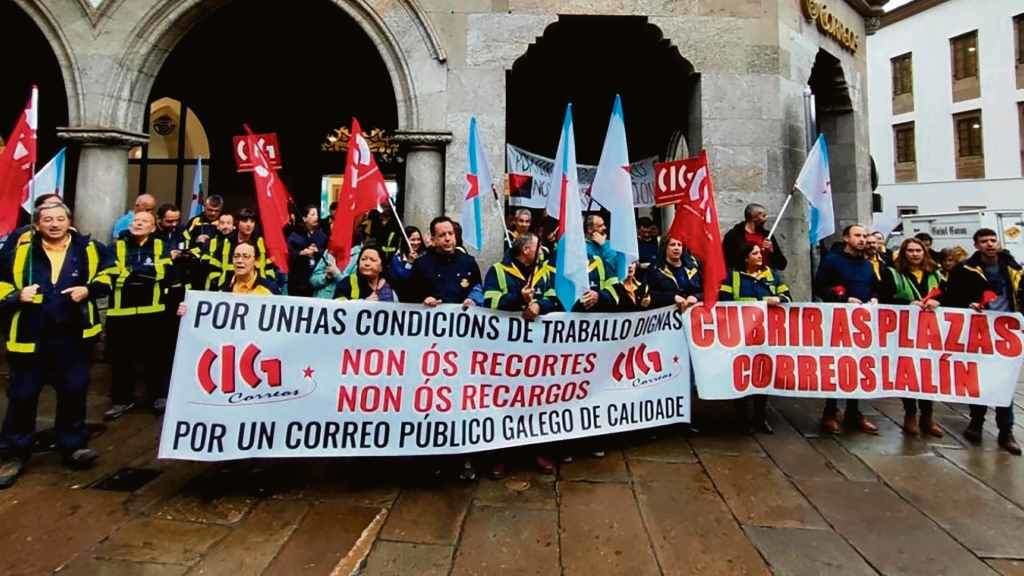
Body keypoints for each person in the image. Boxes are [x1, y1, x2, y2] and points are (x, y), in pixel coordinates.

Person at [0, 203, 115, 488]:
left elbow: (111, 273)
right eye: (47, 219)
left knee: (74, 392)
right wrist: (16, 295)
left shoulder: (88, 249)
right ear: (37, 225)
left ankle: (72, 445)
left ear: (69, 222)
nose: (54, 224)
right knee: (22, 396)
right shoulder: (19, 252)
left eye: (60, 218)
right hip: (30, 338)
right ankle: (13, 453)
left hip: (73, 338)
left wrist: (88, 289)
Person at [923, 228, 1021, 455]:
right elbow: (952, 295)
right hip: (977, 330)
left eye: (992, 239)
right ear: (976, 245)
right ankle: (976, 423)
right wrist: (964, 304)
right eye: (984, 241)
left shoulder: (1013, 267)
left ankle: (1006, 431)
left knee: (1004, 382)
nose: (989, 244)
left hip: (1007, 332)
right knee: (978, 379)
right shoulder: (964, 269)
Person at [481, 232, 560, 477]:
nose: (542, 249)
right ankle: (501, 456)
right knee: (504, 401)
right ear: (525, 250)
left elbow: (557, 297)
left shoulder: (545, 271)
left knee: (536, 399)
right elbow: (489, 300)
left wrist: (539, 305)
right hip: (507, 352)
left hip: (537, 351)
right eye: (538, 246)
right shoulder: (498, 270)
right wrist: (518, 299)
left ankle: (537, 450)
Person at [103, 211, 173, 420]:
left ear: (153, 227)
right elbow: (111, 272)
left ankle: (157, 397)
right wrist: (147, 272)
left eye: (144, 221)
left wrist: (133, 272)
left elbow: (166, 272)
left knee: (156, 358)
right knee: (121, 359)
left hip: (152, 312)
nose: (138, 224)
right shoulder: (117, 246)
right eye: (136, 220)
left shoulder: (161, 246)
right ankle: (121, 400)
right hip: (120, 313)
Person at [814, 224, 879, 435]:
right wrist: (842, 298)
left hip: (861, 324)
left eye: (864, 236)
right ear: (846, 238)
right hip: (837, 322)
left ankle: (853, 412)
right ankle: (830, 412)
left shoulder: (868, 265)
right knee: (836, 365)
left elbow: (872, 287)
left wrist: (874, 299)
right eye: (857, 235)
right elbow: (819, 287)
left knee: (858, 366)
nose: (862, 239)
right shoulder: (832, 261)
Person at [719, 243, 790, 434]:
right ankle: (742, 419)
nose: (760, 256)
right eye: (755, 253)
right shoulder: (732, 276)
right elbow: (724, 301)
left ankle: (760, 418)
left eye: (760, 253)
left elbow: (787, 297)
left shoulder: (772, 275)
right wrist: (759, 303)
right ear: (745, 257)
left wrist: (779, 300)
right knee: (741, 374)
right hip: (740, 335)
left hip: (766, 334)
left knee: (762, 374)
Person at [877, 237, 944, 438]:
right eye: (910, 250)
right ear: (904, 253)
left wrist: (938, 303)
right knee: (908, 372)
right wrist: (906, 306)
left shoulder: (936, 274)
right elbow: (884, 299)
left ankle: (928, 416)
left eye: (918, 250)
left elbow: (949, 297)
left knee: (928, 373)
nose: (915, 254)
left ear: (925, 253)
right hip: (904, 330)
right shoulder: (892, 273)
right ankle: (910, 414)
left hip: (931, 332)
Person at [408, 216, 483, 308]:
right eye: (442, 235)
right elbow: (410, 295)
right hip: (431, 318)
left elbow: (477, 288)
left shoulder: (468, 262)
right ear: (433, 240)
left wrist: (473, 300)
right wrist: (424, 300)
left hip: (461, 319)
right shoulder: (421, 264)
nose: (447, 238)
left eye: (450, 233)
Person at [205, 208, 277, 290]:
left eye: (252, 221)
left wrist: (267, 285)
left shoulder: (261, 243)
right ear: (237, 223)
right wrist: (221, 286)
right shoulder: (226, 242)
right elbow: (214, 268)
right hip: (228, 291)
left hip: (256, 291)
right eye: (245, 221)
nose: (249, 225)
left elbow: (269, 269)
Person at [722, 203, 788, 271]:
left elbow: (782, 265)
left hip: (765, 278)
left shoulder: (767, 236)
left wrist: (772, 250)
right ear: (754, 217)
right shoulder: (733, 235)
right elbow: (725, 261)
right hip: (743, 278)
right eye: (763, 216)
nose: (766, 219)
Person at [649, 236, 702, 311]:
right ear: (665, 248)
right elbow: (650, 294)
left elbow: (707, 291)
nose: (676, 248)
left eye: (679, 245)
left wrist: (696, 297)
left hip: (693, 316)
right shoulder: (655, 270)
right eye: (672, 244)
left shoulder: (693, 268)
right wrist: (672, 297)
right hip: (667, 316)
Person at [286, 204, 327, 297]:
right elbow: (289, 254)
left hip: (315, 280)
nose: (316, 217)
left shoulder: (322, 236)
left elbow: (326, 253)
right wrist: (301, 253)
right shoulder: (295, 235)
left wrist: (317, 251)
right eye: (312, 215)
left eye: (317, 214)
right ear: (304, 218)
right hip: (297, 281)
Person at [389, 226, 423, 301]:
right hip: (402, 300)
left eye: (418, 239)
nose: (416, 243)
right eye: (413, 240)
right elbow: (403, 279)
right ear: (405, 240)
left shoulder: (424, 255)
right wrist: (410, 263)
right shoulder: (397, 259)